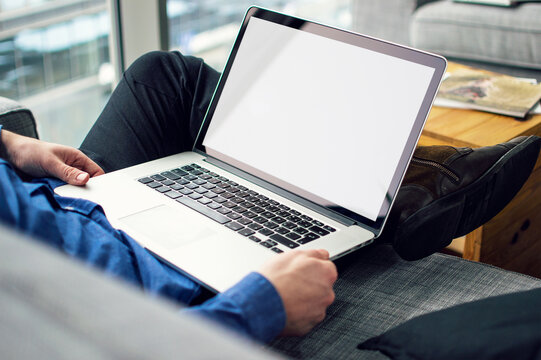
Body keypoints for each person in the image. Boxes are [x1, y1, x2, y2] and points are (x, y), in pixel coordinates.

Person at [0, 51, 539, 345]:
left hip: (65, 207)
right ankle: (405, 190)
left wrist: (12, 144)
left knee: (164, 77)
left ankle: (402, 187)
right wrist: (259, 308)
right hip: (131, 277)